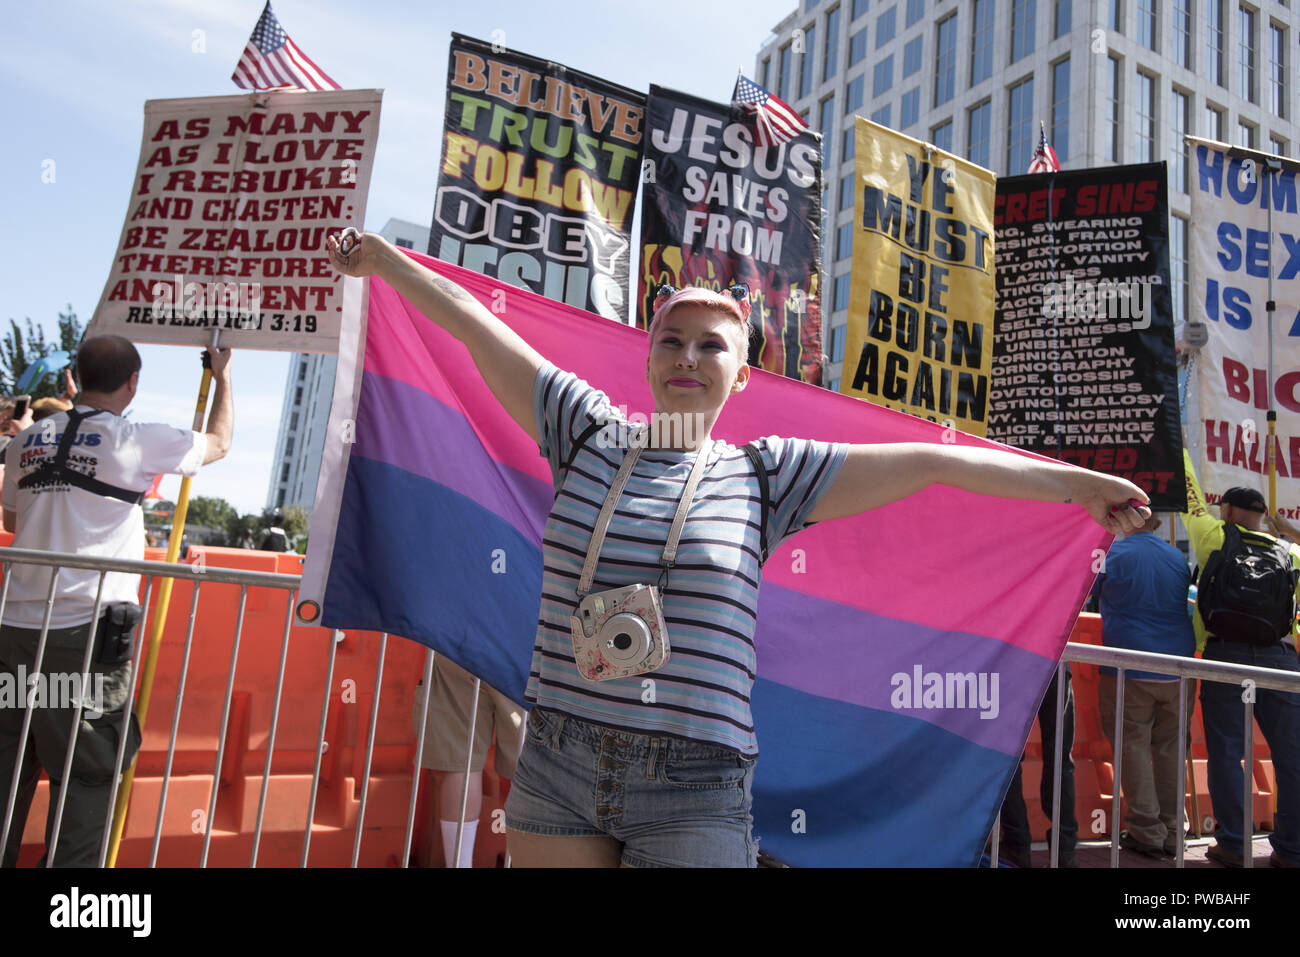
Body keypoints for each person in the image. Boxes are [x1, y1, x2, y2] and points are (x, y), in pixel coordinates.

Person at [326, 231, 1151, 867]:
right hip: (560, 758)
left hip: (695, 782)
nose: (688, 356)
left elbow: (932, 463)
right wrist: (385, 263)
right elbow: (472, 325)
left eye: (711, 344)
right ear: (647, 356)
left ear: (743, 373)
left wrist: (1072, 484)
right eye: (670, 340)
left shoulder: (770, 475)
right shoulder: (581, 430)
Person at [0, 335, 233, 867]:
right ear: (133, 383)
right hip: (82, 640)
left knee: (8, 770)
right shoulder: (133, 439)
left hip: (14, 632)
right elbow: (217, 443)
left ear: (77, 377)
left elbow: (12, 521)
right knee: (86, 772)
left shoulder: (26, 441)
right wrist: (221, 376)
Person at [1181, 449, 1300, 868]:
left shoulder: (1213, 535)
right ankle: (1291, 850)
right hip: (1281, 661)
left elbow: (1189, 495)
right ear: (1263, 514)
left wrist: (1177, 446)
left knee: (1228, 752)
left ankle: (1233, 843)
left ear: (1229, 510)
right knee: (1292, 756)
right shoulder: (1291, 554)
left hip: (1225, 655)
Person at [1091, 513, 1197, 858]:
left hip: (1130, 664)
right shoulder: (1176, 557)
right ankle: (1172, 830)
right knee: (1170, 748)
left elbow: (1086, 591)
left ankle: (1146, 829)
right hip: (1178, 664)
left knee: (1132, 744)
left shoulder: (1114, 555)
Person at [412, 655, 524, 868]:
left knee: (460, 760)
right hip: (520, 643)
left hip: (458, 640)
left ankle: (459, 864)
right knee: (531, 766)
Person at [997, 666, 1078, 867]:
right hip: (1055, 663)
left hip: (1016, 662)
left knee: (1010, 758)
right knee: (1060, 759)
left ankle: (1016, 847)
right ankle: (1065, 851)